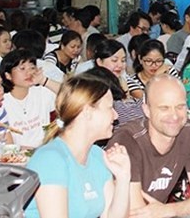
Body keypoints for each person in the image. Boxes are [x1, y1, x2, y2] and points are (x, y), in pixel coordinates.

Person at [24, 74, 131, 218]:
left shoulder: (97, 155)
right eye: (110, 108)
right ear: (87, 112)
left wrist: (123, 177)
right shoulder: (50, 160)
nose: (116, 115)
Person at [108, 74, 190, 217]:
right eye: (164, 108)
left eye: (180, 107)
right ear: (146, 110)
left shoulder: (188, 131)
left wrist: (169, 210)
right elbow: (137, 214)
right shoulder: (127, 140)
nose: (175, 116)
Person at [0, 49, 58, 148]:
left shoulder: (41, 92)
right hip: (16, 157)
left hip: (46, 151)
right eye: (22, 68)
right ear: (8, 75)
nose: (29, 73)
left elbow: (73, 96)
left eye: (32, 67)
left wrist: (44, 80)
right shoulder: (2, 100)